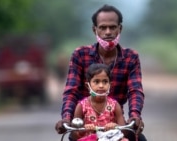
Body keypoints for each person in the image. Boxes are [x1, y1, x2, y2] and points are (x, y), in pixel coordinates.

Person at [55, 4, 146, 141]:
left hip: (115, 125)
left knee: (140, 139)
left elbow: (135, 90)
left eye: (112, 27)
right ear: (94, 30)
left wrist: (135, 116)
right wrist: (67, 118)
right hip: (85, 127)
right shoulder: (80, 55)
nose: (108, 32)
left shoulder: (130, 57)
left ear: (119, 29)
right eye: (103, 27)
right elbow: (71, 90)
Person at [71, 63, 128, 141]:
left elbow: (124, 129)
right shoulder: (81, 106)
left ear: (110, 85)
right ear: (88, 86)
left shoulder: (115, 105)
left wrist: (115, 126)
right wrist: (84, 129)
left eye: (105, 82)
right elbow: (74, 134)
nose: (101, 85)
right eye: (96, 82)